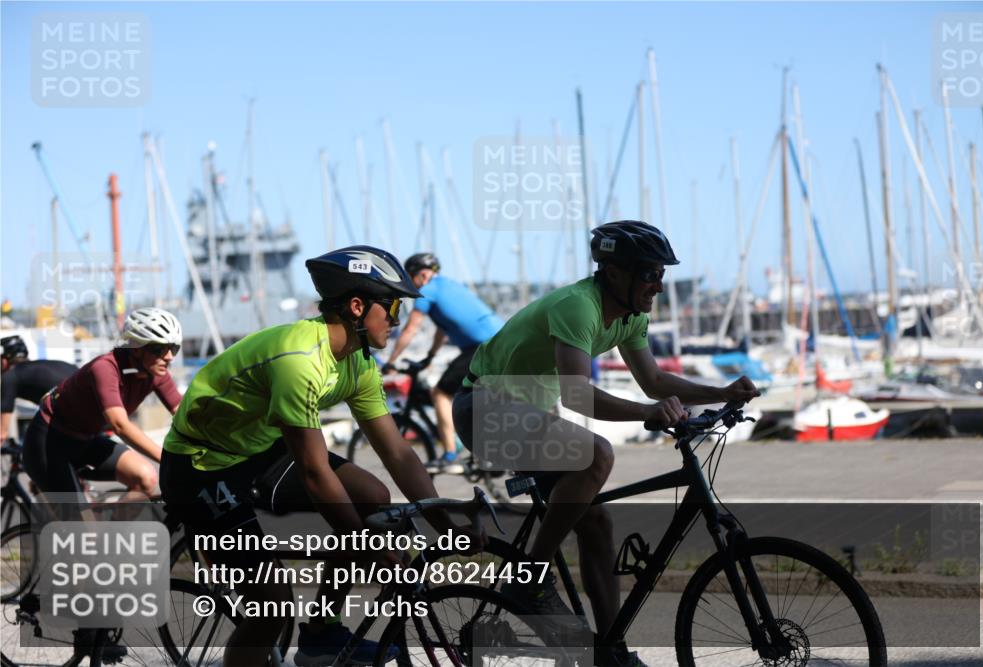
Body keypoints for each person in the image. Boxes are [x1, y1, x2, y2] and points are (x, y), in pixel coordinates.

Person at [160, 245, 485, 667]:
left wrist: (446, 527)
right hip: (201, 465)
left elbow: (398, 453)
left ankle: (321, 632)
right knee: (272, 604)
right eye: (392, 307)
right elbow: (315, 473)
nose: (398, 319)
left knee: (372, 498)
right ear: (357, 307)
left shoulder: (358, 363)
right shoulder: (299, 360)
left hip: (258, 448)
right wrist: (367, 546)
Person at [453, 221, 760, 667]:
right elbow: (578, 395)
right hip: (482, 408)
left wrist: (722, 392)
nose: (658, 286)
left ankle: (610, 650)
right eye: (649, 274)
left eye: (661, 275)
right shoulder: (579, 307)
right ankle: (528, 581)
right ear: (614, 273)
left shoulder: (632, 316)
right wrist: (647, 414)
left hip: (527, 414)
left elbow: (653, 381)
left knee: (596, 521)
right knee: (597, 454)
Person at [21, 308, 183, 502]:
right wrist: (168, 460)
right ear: (136, 348)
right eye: (159, 349)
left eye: (173, 348)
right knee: (80, 520)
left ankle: (110, 523)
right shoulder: (105, 368)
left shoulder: (157, 373)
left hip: (86, 440)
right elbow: (120, 426)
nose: (169, 356)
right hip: (49, 441)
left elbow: (185, 416)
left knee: (146, 478)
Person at [383, 252, 503, 474]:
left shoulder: (427, 291)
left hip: (483, 348)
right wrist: (430, 355)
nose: (411, 285)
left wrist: (390, 361)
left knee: (440, 393)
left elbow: (410, 329)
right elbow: (442, 327)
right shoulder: (447, 286)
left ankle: (450, 454)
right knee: (466, 394)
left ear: (422, 275)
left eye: (410, 278)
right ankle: (479, 445)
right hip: (498, 343)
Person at [1, 335, 76, 442]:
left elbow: (2, 433)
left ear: (4, 361)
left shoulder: (10, 375)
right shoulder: (43, 366)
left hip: (71, 413)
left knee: (34, 437)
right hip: (91, 407)